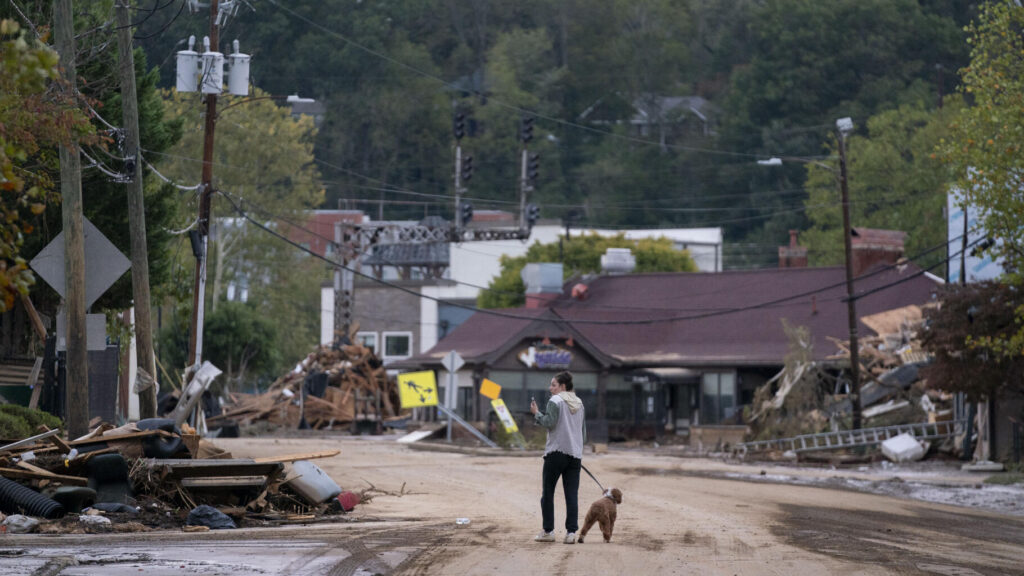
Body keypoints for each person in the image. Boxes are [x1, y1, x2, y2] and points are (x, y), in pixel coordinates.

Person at [530, 370, 586, 544]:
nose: (550, 388)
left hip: (556, 453)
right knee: (571, 495)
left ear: (563, 386)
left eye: (553, 385)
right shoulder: (579, 402)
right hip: (575, 455)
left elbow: (549, 422)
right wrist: (577, 449)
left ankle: (548, 531)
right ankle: (571, 533)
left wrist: (536, 413)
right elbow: (582, 431)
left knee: (548, 493)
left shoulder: (556, 400)